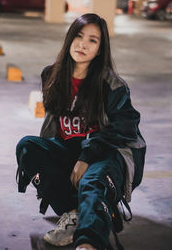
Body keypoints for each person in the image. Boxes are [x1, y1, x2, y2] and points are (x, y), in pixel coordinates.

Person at [16, 13, 146, 250]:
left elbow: (126, 126)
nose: (83, 44)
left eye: (93, 40)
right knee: (27, 147)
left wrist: (86, 157)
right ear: (69, 39)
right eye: (78, 36)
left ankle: (88, 241)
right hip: (69, 150)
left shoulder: (111, 84)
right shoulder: (52, 75)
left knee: (93, 181)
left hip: (105, 153)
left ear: (100, 49)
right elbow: (52, 123)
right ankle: (76, 212)